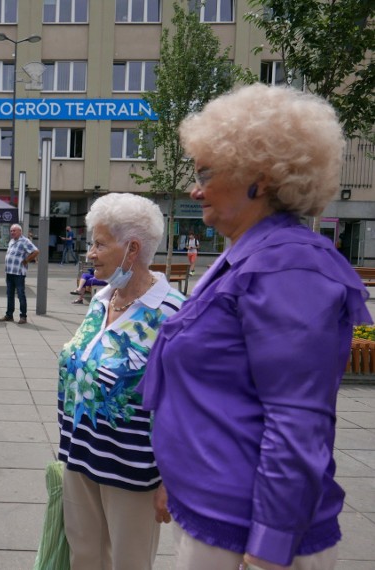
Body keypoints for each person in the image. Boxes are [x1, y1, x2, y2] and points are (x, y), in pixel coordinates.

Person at [139, 84, 371, 570]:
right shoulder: (248, 255)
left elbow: (298, 420)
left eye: (204, 173)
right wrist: (173, 481)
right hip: (215, 514)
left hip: (245, 534)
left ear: (259, 179)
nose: (194, 188)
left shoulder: (287, 266)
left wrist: (268, 551)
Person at [57, 193, 185, 570]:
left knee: (128, 563)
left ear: (132, 249)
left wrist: (171, 481)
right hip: (79, 457)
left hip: (133, 471)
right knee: (84, 558)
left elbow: (186, 405)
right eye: (90, 243)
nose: (89, 254)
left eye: (99, 244)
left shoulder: (173, 314)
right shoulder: (101, 299)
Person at [0, 224, 38, 325]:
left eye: (14, 231)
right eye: (11, 231)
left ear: (20, 231)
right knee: (9, 294)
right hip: (10, 272)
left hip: (19, 273)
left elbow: (35, 251)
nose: (12, 232)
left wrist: (26, 260)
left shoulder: (24, 241)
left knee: (20, 294)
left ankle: (23, 316)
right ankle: (9, 315)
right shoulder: (12, 241)